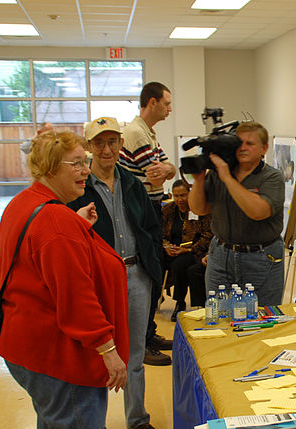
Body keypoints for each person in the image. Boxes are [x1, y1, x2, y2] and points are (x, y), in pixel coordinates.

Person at [0, 130, 129, 429]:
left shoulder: (27, 204)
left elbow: (37, 261)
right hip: (60, 356)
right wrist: (108, 349)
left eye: (85, 161)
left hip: (25, 349)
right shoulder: (54, 220)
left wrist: (73, 225)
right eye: (76, 163)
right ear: (50, 167)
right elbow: (74, 296)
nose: (86, 170)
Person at [67, 116, 164, 429]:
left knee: (135, 354)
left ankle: (137, 419)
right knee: (97, 355)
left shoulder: (134, 184)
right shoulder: (79, 188)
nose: (106, 149)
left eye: (112, 142)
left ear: (122, 145)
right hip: (98, 281)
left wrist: (154, 269)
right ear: (89, 147)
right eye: (99, 143)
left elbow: (151, 228)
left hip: (136, 276)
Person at [188, 121, 285, 306]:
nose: (243, 148)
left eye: (250, 143)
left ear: (264, 148)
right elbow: (199, 209)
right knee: (218, 313)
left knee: (261, 317)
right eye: (238, 143)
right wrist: (199, 180)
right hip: (221, 255)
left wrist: (227, 177)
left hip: (262, 257)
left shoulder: (272, 177)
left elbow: (258, 212)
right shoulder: (217, 174)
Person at [120, 82, 176, 364]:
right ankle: (141, 342)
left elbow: (169, 168)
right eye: (166, 103)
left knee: (157, 270)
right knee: (149, 270)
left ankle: (149, 332)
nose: (169, 109)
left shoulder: (148, 133)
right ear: (151, 102)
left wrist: (167, 169)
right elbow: (155, 174)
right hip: (142, 208)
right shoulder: (135, 132)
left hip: (153, 206)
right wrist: (165, 170)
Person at [161, 179, 212, 321]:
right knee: (156, 260)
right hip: (171, 250)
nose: (180, 199)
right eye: (176, 196)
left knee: (180, 264)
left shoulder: (200, 209)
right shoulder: (168, 210)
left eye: (183, 195)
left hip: (194, 251)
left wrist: (187, 250)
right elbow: (160, 234)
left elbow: (208, 236)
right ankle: (155, 298)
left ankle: (179, 302)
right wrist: (166, 246)